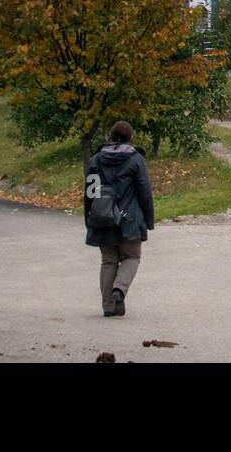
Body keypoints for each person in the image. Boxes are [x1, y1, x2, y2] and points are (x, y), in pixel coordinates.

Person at [84, 121, 155, 317]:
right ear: (130, 138)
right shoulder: (136, 160)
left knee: (108, 261)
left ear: (111, 137)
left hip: (103, 218)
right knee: (131, 256)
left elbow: (89, 192)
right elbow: (144, 191)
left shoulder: (96, 160)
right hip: (129, 219)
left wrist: (88, 217)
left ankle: (108, 306)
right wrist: (148, 219)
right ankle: (119, 290)